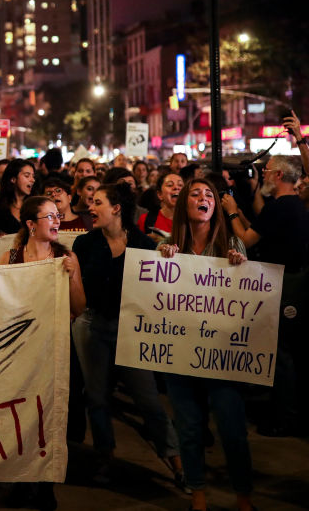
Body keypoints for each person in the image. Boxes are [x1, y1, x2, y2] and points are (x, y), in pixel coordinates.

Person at [71, 182, 183, 486]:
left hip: (131, 329)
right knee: (96, 398)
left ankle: (178, 463)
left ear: (116, 208)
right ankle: (104, 458)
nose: (90, 208)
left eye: (97, 203)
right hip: (92, 326)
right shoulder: (84, 245)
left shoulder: (145, 245)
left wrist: (168, 254)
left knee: (148, 400)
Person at [157, 179, 255, 511]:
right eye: (196, 194)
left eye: (209, 195)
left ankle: (243, 498)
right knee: (189, 428)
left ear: (215, 206)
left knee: (232, 429)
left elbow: (245, 302)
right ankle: (198, 497)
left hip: (222, 357)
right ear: (185, 204)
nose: (204, 198)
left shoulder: (233, 245)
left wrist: (240, 271)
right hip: (180, 358)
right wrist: (163, 263)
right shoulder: (169, 247)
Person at [0, 195, 84, 511]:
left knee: (48, 418)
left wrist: (72, 277)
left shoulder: (66, 258)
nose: (57, 222)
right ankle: (20, 480)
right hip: (16, 355)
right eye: (50, 217)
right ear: (31, 225)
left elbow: (79, 307)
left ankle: (44, 485)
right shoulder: (9, 258)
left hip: (52, 350)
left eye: (58, 216)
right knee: (18, 417)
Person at [221, 155, 309, 436]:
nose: (263, 174)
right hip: (295, 281)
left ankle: (285, 417)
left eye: (266, 170)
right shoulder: (290, 205)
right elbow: (260, 227)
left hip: (286, 285)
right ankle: (289, 411)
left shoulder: (282, 206)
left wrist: (231, 210)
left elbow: (246, 239)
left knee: (282, 352)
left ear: (278, 175)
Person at [0, 158, 36, 234]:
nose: (32, 180)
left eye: (33, 176)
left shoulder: (36, 206)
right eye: (27, 176)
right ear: (13, 179)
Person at [136, 172, 184, 241]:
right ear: (160, 194)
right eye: (170, 185)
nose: (176, 188)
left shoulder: (194, 221)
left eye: (180, 185)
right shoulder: (145, 220)